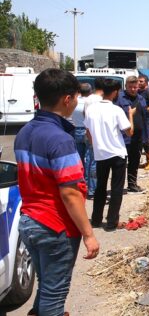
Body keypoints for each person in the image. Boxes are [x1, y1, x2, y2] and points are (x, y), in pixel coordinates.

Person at [14, 68, 100, 315]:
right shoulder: (60, 139)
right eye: (75, 97)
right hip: (55, 226)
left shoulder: (25, 132)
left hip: (30, 222)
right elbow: (70, 193)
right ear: (67, 99)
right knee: (55, 295)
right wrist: (88, 234)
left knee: (47, 287)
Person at [85, 79, 134, 231]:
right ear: (114, 92)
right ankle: (112, 221)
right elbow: (129, 131)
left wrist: (96, 146)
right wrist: (130, 114)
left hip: (101, 154)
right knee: (116, 188)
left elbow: (88, 132)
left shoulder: (91, 110)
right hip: (117, 153)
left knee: (100, 187)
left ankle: (96, 219)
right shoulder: (116, 110)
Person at [116, 76, 149, 193]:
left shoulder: (141, 99)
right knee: (121, 163)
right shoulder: (119, 98)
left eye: (135, 87)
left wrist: (147, 134)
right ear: (126, 86)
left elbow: (145, 118)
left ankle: (132, 184)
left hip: (138, 137)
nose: (133, 89)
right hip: (124, 137)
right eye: (130, 87)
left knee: (134, 162)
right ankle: (118, 187)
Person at [71, 82, 96, 199]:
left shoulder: (74, 102)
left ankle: (80, 186)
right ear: (90, 91)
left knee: (79, 161)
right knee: (90, 161)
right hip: (88, 131)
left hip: (76, 130)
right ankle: (91, 189)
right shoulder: (90, 103)